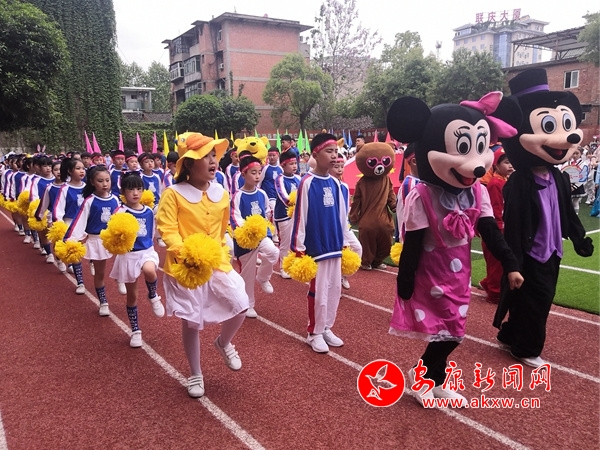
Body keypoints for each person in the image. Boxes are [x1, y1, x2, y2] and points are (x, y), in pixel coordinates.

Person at [156, 133, 249, 398]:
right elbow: (167, 229)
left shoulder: (222, 192)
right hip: (186, 267)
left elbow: (222, 228)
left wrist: (227, 248)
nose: (212, 161)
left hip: (217, 261)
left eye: (213, 155)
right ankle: (195, 373)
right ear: (188, 164)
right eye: (205, 156)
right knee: (192, 322)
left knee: (241, 303)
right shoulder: (173, 194)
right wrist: (185, 253)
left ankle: (223, 342)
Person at [290, 133, 356, 353]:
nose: (334, 156)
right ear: (316, 154)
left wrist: (344, 243)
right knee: (319, 293)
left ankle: (327, 326)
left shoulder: (337, 184)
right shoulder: (307, 183)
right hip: (316, 248)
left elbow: (342, 217)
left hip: (335, 246)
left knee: (335, 290)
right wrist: (298, 248)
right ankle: (314, 332)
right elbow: (300, 216)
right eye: (329, 151)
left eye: (336, 151)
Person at [109, 172, 165, 347]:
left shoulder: (149, 211)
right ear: (123, 192)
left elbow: (155, 229)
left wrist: (159, 239)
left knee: (150, 270)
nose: (135, 193)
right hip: (128, 255)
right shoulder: (120, 212)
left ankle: (153, 295)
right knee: (132, 296)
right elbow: (112, 232)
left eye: (139, 189)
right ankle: (135, 330)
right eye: (130, 189)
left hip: (146, 251)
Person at [63, 165, 119, 314]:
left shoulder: (115, 199)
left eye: (107, 180)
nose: (105, 184)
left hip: (113, 240)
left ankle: (119, 278)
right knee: (100, 274)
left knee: (123, 260)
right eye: (100, 181)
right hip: (96, 241)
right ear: (92, 182)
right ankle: (103, 302)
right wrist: (71, 238)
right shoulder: (89, 201)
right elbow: (79, 221)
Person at [230, 151, 279, 318]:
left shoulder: (262, 194)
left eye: (259, 172)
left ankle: (263, 277)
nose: (257, 176)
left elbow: (267, 212)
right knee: (247, 274)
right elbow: (235, 217)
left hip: (262, 235)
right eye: (253, 173)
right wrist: (247, 229)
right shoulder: (238, 196)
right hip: (245, 240)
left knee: (273, 252)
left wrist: (265, 228)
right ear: (243, 174)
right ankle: (248, 304)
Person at [479, 148, 514, 304]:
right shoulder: (495, 183)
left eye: (511, 162)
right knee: (496, 263)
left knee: (500, 261)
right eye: (506, 162)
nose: (510, 165)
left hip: (503, 226)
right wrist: (498, 229)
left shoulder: (505, 181)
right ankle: (494, 294)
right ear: (496, 165)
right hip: (496, 228)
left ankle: (488, 283)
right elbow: (495, 208)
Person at [329, 152, 362, 290]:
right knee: (334, 257)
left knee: (357, 248)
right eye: (336, 166)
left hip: (344, 227)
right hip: (331, 228)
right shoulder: (326, 185)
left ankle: (344, 275)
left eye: (342, 166)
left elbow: (347, 206)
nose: (340, 169)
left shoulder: (345, 186)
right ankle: (332, 284)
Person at [53, 158, 87, 274]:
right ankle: (80, 280)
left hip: (84, 223)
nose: (82, 171)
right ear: (69, 171)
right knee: (74, 249)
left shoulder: (87, 187)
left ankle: (88, 264)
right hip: (69, 222)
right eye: (78, 168)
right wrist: (59, 223)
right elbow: (58, 208)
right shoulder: (64, 189)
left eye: (83, 168)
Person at [274, 150, 301, 279]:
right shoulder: (279, 179)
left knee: (297, 240)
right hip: (283, 215)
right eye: (291, 164)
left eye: (295, 163)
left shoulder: (298, 178)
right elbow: (283, 196)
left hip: (297, 215)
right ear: (283, 165)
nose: (294, 166)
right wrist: (295, 202)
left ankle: (293, 263)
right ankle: (283, 268)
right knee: (285, 242)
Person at [34, 159, 64, 264]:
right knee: (54, 237)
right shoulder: (48, 186)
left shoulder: (68, 186)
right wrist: (39, 214)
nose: (59, 172)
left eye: (61, 169)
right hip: (51, 214)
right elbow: (38, 199)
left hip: (67, 216)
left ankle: (70, 263)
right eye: (56, 169)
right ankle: (51, 254)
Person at [396, 143, 420, 243]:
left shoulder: (419, 182)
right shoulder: (409, 185)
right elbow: (408, 220)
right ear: (414, 161)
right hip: (413, 243)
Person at [259, 146, 283, 241]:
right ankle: (272, 234)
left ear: (278, 155)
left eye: (274, 155)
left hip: (277, 196)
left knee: (276, 214)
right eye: (270, 155)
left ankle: (275, 233)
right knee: (270, 214)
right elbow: (259, 181)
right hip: (268, 196)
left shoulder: (280, 169)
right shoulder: (265, 168)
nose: (271, 157)